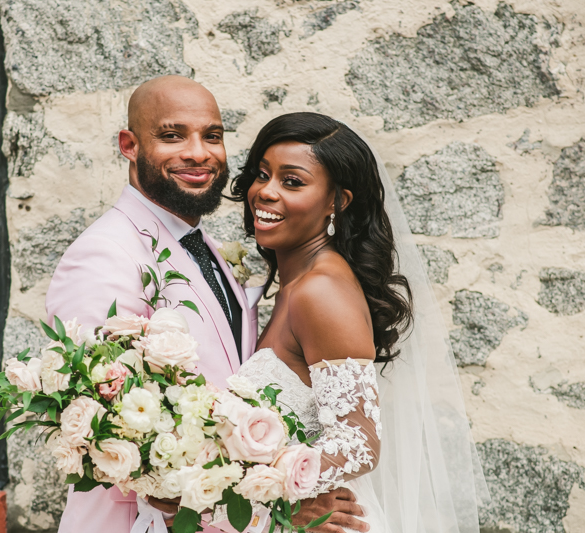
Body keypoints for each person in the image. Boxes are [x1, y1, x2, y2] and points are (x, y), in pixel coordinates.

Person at [45, 79, 369, 533]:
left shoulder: (208, 249)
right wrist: (275, 505)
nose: (198, 152)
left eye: (212, 136)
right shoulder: (106, 255)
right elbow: (108, 437)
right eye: (173, 135)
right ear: (130, 145)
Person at [229, 112, 488, 533]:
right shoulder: (297, 283)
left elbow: (359, 445)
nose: (265, 192)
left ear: (338, 201)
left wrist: (256, 493)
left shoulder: (320, 291)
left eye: (291, 181)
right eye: (262, 174)